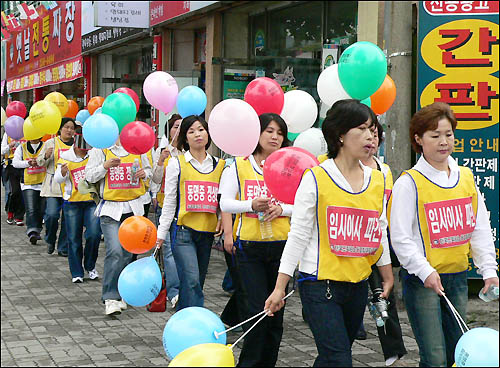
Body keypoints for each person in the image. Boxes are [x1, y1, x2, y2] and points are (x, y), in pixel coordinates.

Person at [265, 99, 394, 367]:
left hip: (357, 284)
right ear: (341, 136)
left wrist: (386, 274)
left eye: (372, 128)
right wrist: (279, 288)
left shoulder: (378, 179)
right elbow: (298, 235)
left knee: (332, 356)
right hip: (320, 285)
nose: (371, 135)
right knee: (339, 359)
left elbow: (378, 228)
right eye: (362, 128)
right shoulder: (315, 178)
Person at [388, 102, 498, 367]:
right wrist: (425, 271)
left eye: (448, 134)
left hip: (457, 277)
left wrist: (489, 270)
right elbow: (401, 238)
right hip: (422, 281)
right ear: (418, 139)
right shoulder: (409, 183)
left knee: (458, 352)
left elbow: (479, 227)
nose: (443, 142)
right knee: (435, 356)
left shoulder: (465, 177)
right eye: (434, 135)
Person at [219, 113, 293, 367]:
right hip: (250, 249)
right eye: (269, 131)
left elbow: (303, 204)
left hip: (283, 248)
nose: (275, 137)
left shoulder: (289, 166)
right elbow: (225, 202)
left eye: (280, 133)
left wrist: (282, 209)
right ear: (257, 134)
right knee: (257, 314)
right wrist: (250, 204)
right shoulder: (237, 165)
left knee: (276, 315)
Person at [155, 115, 225, 311]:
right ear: (185, 138)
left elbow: (221, 200)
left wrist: (220, 219)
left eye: (201, 129)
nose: (197, 134)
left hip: (207, 232)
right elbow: (169, 201)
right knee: (192, 279)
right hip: (183, 231)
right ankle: (196, 323)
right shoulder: (176, 163)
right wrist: (161, 235)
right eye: (191, 131)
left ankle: (182, 318)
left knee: (195, 282)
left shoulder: (220, 165)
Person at [85, 136, 152, 316]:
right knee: (114, 250)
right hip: (110, 210)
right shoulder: (101, 149)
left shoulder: (137, 147)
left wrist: (144, 174)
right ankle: (110, 297)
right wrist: (105, 167)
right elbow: (89, 175)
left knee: (127, 254)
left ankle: (123, 292)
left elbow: (149, 171)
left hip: (133, 208)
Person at [360, 121, 407, 366]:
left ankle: (393, 350)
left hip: (379, 239)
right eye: (368, 134)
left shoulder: (384, 169)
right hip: (352, 241)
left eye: (376, 135)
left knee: (383, 294)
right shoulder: (342, 167)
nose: (372, 139)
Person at [54, 125, 101, 284]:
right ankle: (76, 271)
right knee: (74, 238)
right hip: (72, 203)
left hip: (91, 202)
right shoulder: (66, 156)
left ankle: (90, 265)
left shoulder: (95, 154)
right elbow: (58, 179)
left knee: (94, 234)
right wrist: (62, 173)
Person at [150, 114, 182, 309]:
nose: (177, 130)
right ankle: (174, 292)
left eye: (181, 126)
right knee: (169, 250)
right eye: (174, 126)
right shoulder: (162, 151)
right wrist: (161, 161)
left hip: (185, 208)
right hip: (165, 204)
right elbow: (154, 179)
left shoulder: (189, 152)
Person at [37, 118, 76, 256]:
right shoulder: (51, 142)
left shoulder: (77, 145)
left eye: (72, 128)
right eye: (66, 127)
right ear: (60, 129)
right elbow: (39, 161)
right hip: (53, 186)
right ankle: (50, 239)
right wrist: (46, 155)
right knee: (51, 215)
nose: (69, 130)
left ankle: (63, 247)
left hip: (71, 187)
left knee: (68, 218)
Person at [12, 135, 46, 245]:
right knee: (31, 209)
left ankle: (38, 229)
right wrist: (28, 163)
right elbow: (15, 163)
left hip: (43, 183)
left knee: (41, 209)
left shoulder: (46, 146)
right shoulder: (21, 148)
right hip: (28, 184)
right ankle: (32, 231)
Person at [1, 132, 26, 225]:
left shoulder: (28, 130)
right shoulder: (8, 133)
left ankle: (19, 216)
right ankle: (10, 212)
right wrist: (9, 146)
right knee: (14, 191)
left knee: (23, 192)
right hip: (11, 166)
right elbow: (2, 150)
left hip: (25, 165)